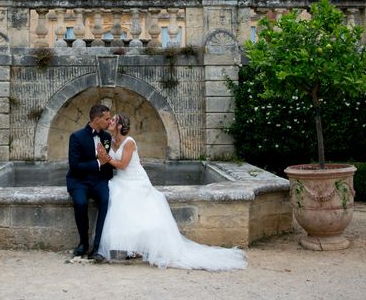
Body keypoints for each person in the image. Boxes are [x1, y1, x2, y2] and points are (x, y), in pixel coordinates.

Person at [97, 113, 247, 271]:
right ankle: (130, 249)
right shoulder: (111, 140)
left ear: (120, 125)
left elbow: (122, 165)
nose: (110, 122)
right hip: (121, 180)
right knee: (124, 210)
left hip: (135, 180)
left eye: (113, 120)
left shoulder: (129, 142)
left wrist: (105, 157)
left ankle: (139, 248)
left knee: (140, 214)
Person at [66, 104, 114, 260]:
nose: (109, 121)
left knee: (106, 200)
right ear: (96, 119)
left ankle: (98, 247)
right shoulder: (76, 137)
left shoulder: (107, 137)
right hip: (79, 180)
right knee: (80, 203)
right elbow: (75, 165)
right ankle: (83, 243)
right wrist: (99, 163)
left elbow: (111, 159)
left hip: (99, 180)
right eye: (106, 119)